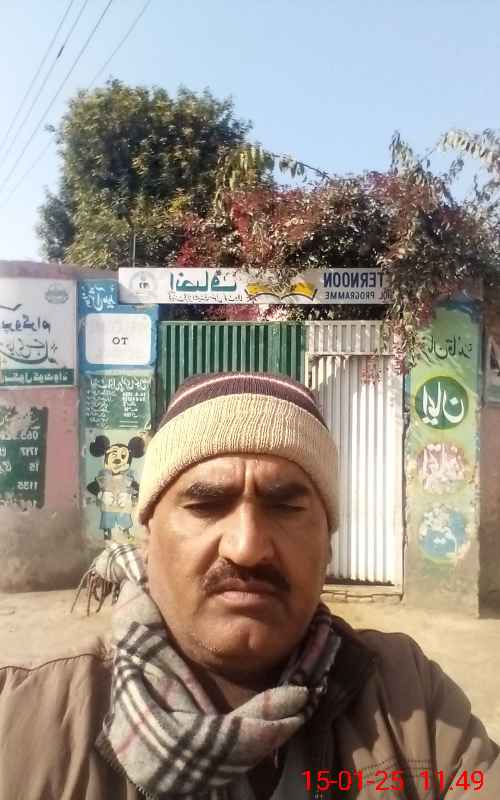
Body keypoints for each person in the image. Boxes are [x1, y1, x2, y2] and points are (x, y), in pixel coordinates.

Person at [0, 371, 498, 799]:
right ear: (148, 538)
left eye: (286, 507)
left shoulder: (411, 705)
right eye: (206, 505)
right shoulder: (30, 718)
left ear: (327, 545)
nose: (247, 547)